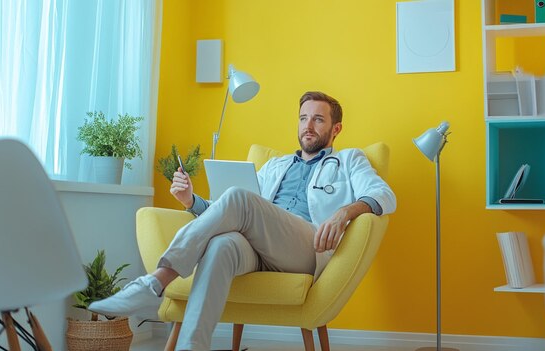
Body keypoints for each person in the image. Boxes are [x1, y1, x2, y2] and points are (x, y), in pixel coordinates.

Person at [89, 91, 397, 350]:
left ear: (336, 128)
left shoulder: (349, 160)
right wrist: (192, 202)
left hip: (306, 246)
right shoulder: (276, 165)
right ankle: (191, 346)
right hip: (259, 248)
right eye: (303, 118)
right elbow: (233, 211)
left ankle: (155, 281)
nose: (308, 126)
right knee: (222, 244)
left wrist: (344, 213)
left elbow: (384, 195)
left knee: (239, 196)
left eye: (318, 119)